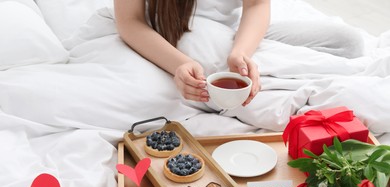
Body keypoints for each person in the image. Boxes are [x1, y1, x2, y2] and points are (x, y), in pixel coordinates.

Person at [113, 0, 363, 109]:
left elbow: (257, 4)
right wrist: (180, 64)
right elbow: (129, 21)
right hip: (175, 39)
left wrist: (241, 52)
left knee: (347, 43)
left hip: (231, 36)